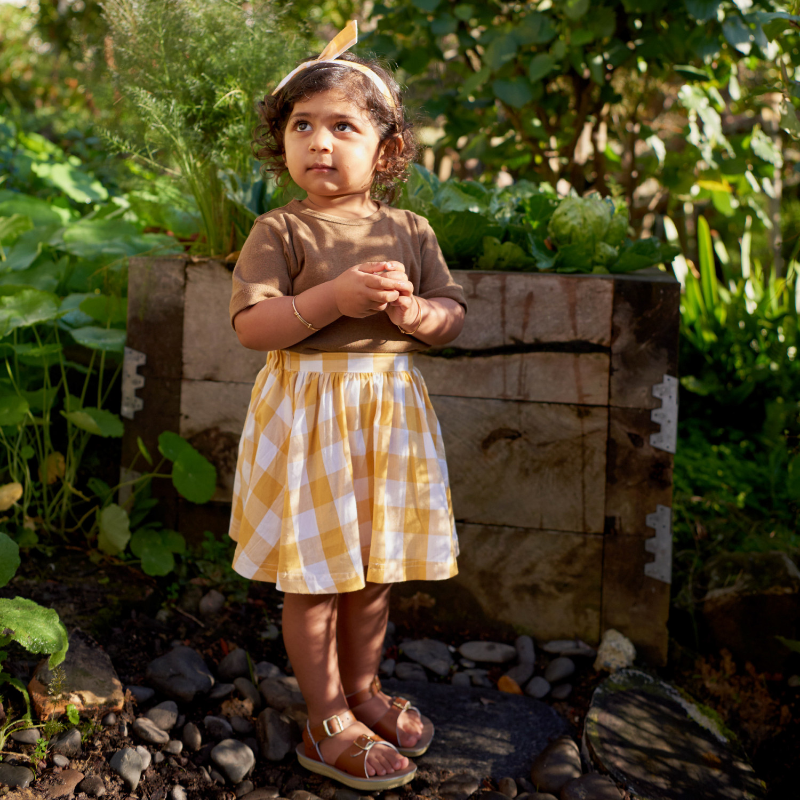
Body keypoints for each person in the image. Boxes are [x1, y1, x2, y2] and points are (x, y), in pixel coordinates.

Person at [227, 20, 466, 792]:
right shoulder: (281, 230)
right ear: (282, 144)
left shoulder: (410, 230)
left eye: (342, 127)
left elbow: (451, 314)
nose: (319, 142)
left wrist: (417, 315)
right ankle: (326, 717)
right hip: (311, 422)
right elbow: (252, 326)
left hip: (387, 421)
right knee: (316, 576)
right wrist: (333, 297)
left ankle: (363, 690)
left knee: (375, 570)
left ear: (387, 151)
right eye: (302, 126)